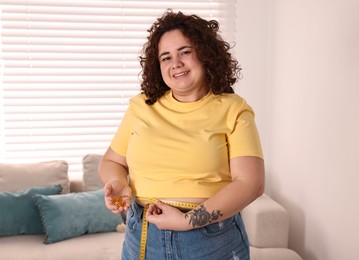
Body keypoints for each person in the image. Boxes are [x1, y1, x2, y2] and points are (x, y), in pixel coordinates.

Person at [99, 10, 265, 260]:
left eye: (184, 52)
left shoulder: (234, 109)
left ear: (205, 53)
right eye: (165, 57)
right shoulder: (141, 106)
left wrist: (188, 220)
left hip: (210, 239)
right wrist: (118, 183)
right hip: (142, 236)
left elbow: (251, 183)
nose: (175, 63)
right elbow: (112, 161)